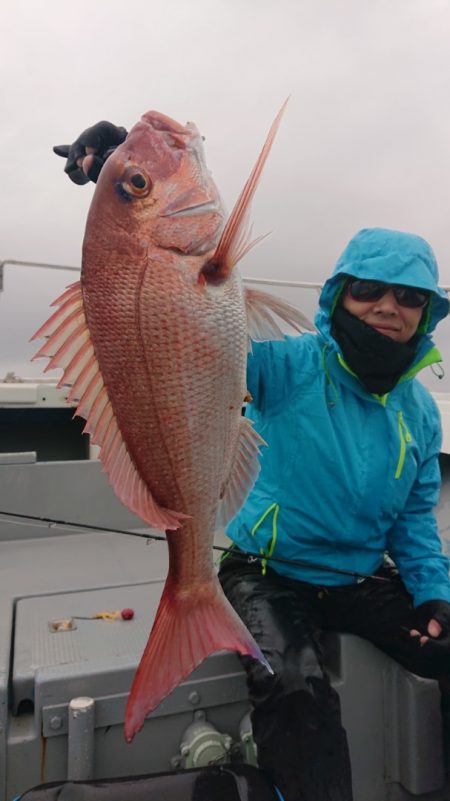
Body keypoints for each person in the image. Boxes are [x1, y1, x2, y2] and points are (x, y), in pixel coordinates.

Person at [55, 124, 450, 801]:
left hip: (358, 577)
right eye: (368, 291)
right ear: (338, 298)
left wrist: (432, 588)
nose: (388, 307)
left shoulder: (420, 414)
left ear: (427, 314)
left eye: (408, 297)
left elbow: (415, 520)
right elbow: (172, 354)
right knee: (295, 685)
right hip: (269, 573)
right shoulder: (288, 365)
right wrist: (117, 172)